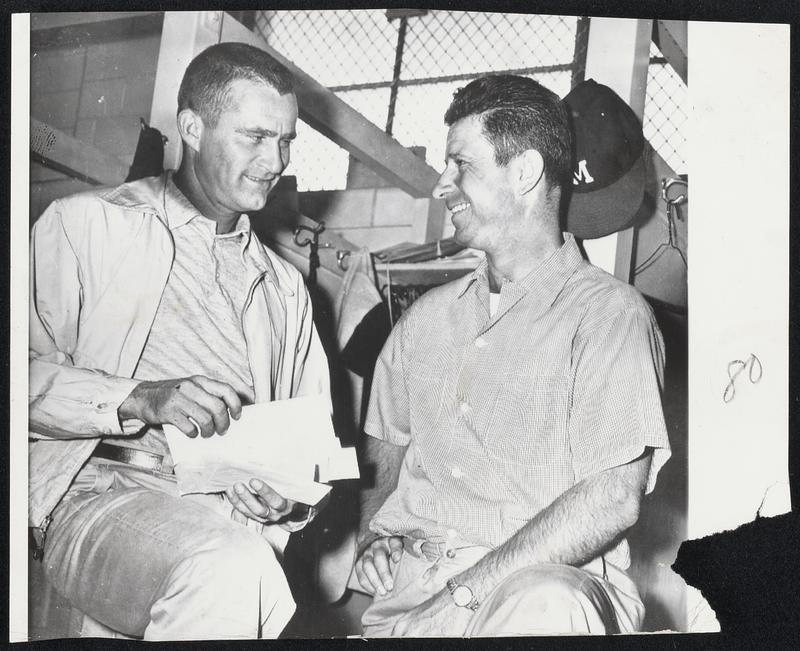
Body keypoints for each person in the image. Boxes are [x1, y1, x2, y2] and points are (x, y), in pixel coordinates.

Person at [29, 42, 330, 640]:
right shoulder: (85, 224)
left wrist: (290, 503)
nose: (275, 160)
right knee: (233, 572)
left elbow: (311, 442)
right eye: (255, 136)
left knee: (240, 568)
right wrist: (139, 397)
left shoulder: (286, 286)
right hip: (104, 495)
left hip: (233, 525)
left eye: (287, 141)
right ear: (192, 127)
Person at [352, 74, 671, 637]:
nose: (440, 186)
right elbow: (387, 437)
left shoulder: (610, 318)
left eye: (461, 166)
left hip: (536, 594)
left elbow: (612, 499)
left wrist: (463, 594)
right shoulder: (424, 320)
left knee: (546, 600)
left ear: (524, 172)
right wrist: (372, 534)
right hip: (411, 597)